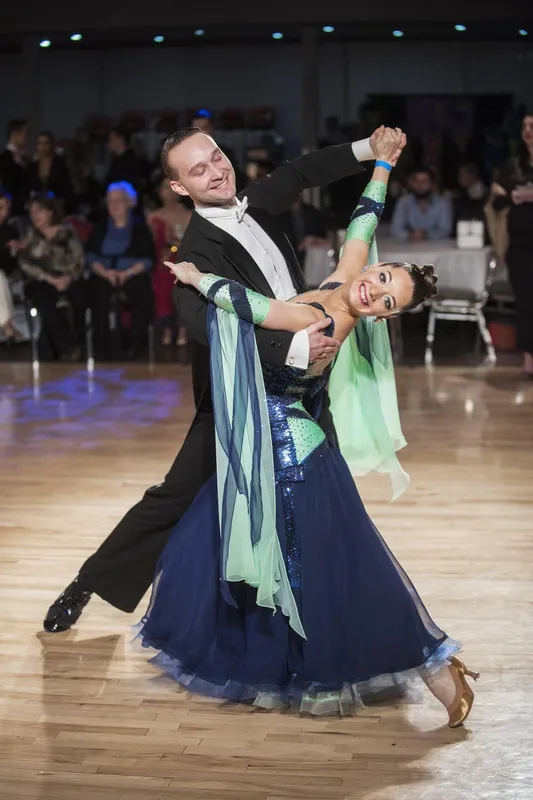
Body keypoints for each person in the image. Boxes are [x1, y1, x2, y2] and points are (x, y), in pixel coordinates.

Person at [136, 128, 478, 727]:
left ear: (385, 317)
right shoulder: (347, 277)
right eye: (383, 276)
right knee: (290, 556)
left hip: (289, 446)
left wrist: (196, 280)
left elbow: (258, 309)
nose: (373, 289)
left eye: (386, 302)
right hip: (276, 436)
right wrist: (382, 169)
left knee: (308, 561)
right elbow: (363, 226)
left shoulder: (326, 313)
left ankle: (429, 666)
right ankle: (415, 668)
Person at [43, 124, 396, 632]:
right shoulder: (193, 254)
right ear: (180, 189)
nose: (216, 170)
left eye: (216, 157)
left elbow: (302, 171)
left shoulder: (254, 199)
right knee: (175, 496)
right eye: (199, 169)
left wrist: (371, 150)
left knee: (325, 490)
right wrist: (294, 345)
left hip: (303, 387)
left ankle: (335, 607)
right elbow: (209, 326)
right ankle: (88, 583)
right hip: (239, 394)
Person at [87, 181, 155, 360]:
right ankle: (101, 347)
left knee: (141, 290)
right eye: (110, 201)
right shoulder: (100, 226)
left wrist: (127, 273)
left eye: (119, 200)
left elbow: (148, 259)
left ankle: (135, 345)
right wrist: (106, 273)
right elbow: (91, 257)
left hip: (131, 273)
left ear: (129, 203)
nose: (114, 205)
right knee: (96, 290)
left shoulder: (139, 226)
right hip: (104, 272)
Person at [490, 112, 533, 379]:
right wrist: (512, 198)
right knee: (526, 303)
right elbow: (495, 201)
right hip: (520, 246)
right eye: (525, 126)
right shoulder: (514, 166)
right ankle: (529, 363)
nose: (528, 130)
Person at [18, 192, 85, 361]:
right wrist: (50, 279)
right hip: (41, 279)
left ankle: (82, 343)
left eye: (38, 211)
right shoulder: (30, 235)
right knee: (44, 300)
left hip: (67, 276)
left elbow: (78, 259)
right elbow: (25, 262)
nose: (35, 216)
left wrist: (67, 277)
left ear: (50, 212)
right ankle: (67, 347)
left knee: (80, 296)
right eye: (32, 212)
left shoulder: (67, 232)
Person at [147, 177, 192, 347]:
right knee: (161, 276)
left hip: (184, 259)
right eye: (164, 187)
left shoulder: (189, 215)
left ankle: (182, 328)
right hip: (159, 262)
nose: (168, 191)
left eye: (172, 187)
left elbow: (191, 244)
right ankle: (166, 325)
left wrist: (173, 246)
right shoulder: (153, 217)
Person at [391, 167, 453, 241]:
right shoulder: (404, 202)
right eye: (417, 181)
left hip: (437, 249)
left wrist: (425, 234)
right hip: (408, 248)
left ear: (432, 184)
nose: (420, 185)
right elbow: (395, 230)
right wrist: (410, 235)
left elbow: (446, 231)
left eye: (424, 181)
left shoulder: (443, 203)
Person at [25, 131, 75, 214]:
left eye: (46, 143)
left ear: (52, 144)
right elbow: (26, 189)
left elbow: (67, 189)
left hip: (57, 209)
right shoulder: (31, 167)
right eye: (40, 143)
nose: (43, 147)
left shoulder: (61, 165)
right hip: (36, 209)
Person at [0, 190, 23, 342]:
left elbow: (10, 262)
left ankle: (6, 326)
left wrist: (18, 248)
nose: (1, 212)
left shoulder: (9, 231)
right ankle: (7, 325)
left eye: (4, 208)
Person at [0, 119, 28, 216]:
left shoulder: (23, 156)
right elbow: (7, 184)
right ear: (15, 134)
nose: (26, 137)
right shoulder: (6, 158)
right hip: (13, 210)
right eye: (24, 134)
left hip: (22, 208)